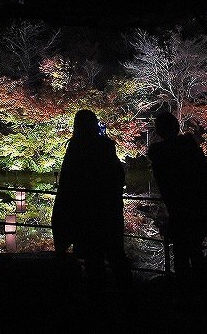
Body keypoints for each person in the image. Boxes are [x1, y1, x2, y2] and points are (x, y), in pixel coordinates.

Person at [52, 109, 131, 297]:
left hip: (85, 214)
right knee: (116, 256)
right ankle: (129, 298)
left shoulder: (76, 147)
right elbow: (117, 176)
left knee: (93, 261)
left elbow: (68, 183)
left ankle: (97, 300)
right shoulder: (106, 146)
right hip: (108, 211)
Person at [148, 111, 207, 277]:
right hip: (199, 209)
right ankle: (200, 285)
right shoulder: (191, 149)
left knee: (181, 253)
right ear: (176, 126)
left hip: (178, 211)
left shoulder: (160, 156)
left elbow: (166, 187)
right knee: (195, 251)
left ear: (159, 130)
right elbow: (205, 179)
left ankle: (185, 287)